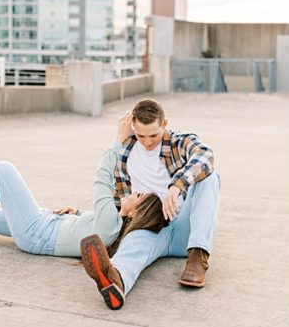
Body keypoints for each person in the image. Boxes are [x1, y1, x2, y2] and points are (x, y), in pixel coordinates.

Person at [0, 112, 165, 262]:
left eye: (138, 196)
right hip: (45, 221)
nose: (133, 194)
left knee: (2, 169)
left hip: (36, 231)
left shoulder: (112, 225)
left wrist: (118, 140)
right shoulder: (112, 225)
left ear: (137, 213)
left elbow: (102, 180)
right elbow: (90, 227)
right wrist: (76, 213)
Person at [80, 98, 219, 310]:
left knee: (210, 177)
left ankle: (198, 257)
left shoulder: (178, 141)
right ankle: (116, 281)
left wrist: (176, 186)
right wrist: (79, 214)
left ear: (164, 124)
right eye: (140, 135)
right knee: (132, 246)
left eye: (153, 135)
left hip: (184, 228)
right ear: (132, 127)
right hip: (150, 224)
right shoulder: (125, 151)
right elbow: (109, 192)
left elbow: (206, 155)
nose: (147, 142)